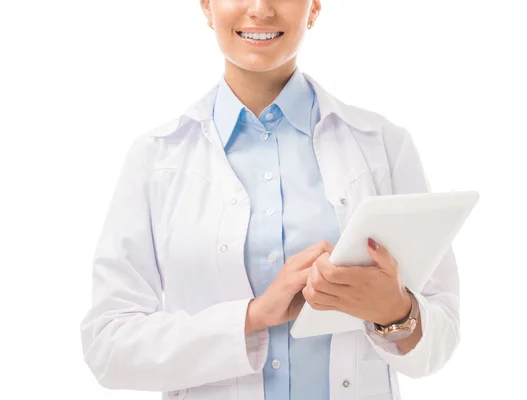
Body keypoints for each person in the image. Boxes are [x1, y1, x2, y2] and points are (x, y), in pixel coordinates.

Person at [79, 1, 461, 399]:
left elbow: (442, 337)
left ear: (314, 8)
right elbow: (108, 347)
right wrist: (252, 317)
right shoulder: (156, 159)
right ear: (207, 6)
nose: (260, 9)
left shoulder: (382, 145)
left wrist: (395, 313)